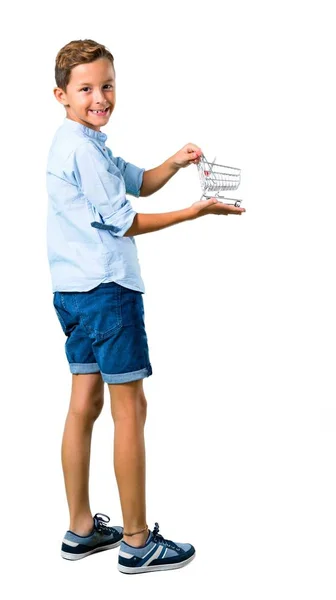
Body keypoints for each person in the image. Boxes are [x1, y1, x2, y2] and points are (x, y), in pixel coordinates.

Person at [46, 38, 245, 575]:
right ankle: (137, 542)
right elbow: (127, 220)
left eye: (107, 85)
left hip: (73, 292)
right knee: (129, 409)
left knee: (83, 406)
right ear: (60, 93)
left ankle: (81, 529)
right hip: (108, 289)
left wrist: (176, 163)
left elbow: (139, 184)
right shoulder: (84, 150)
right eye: (86, 88)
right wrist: (196, 212)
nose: (100, 97)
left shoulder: (83, 141)